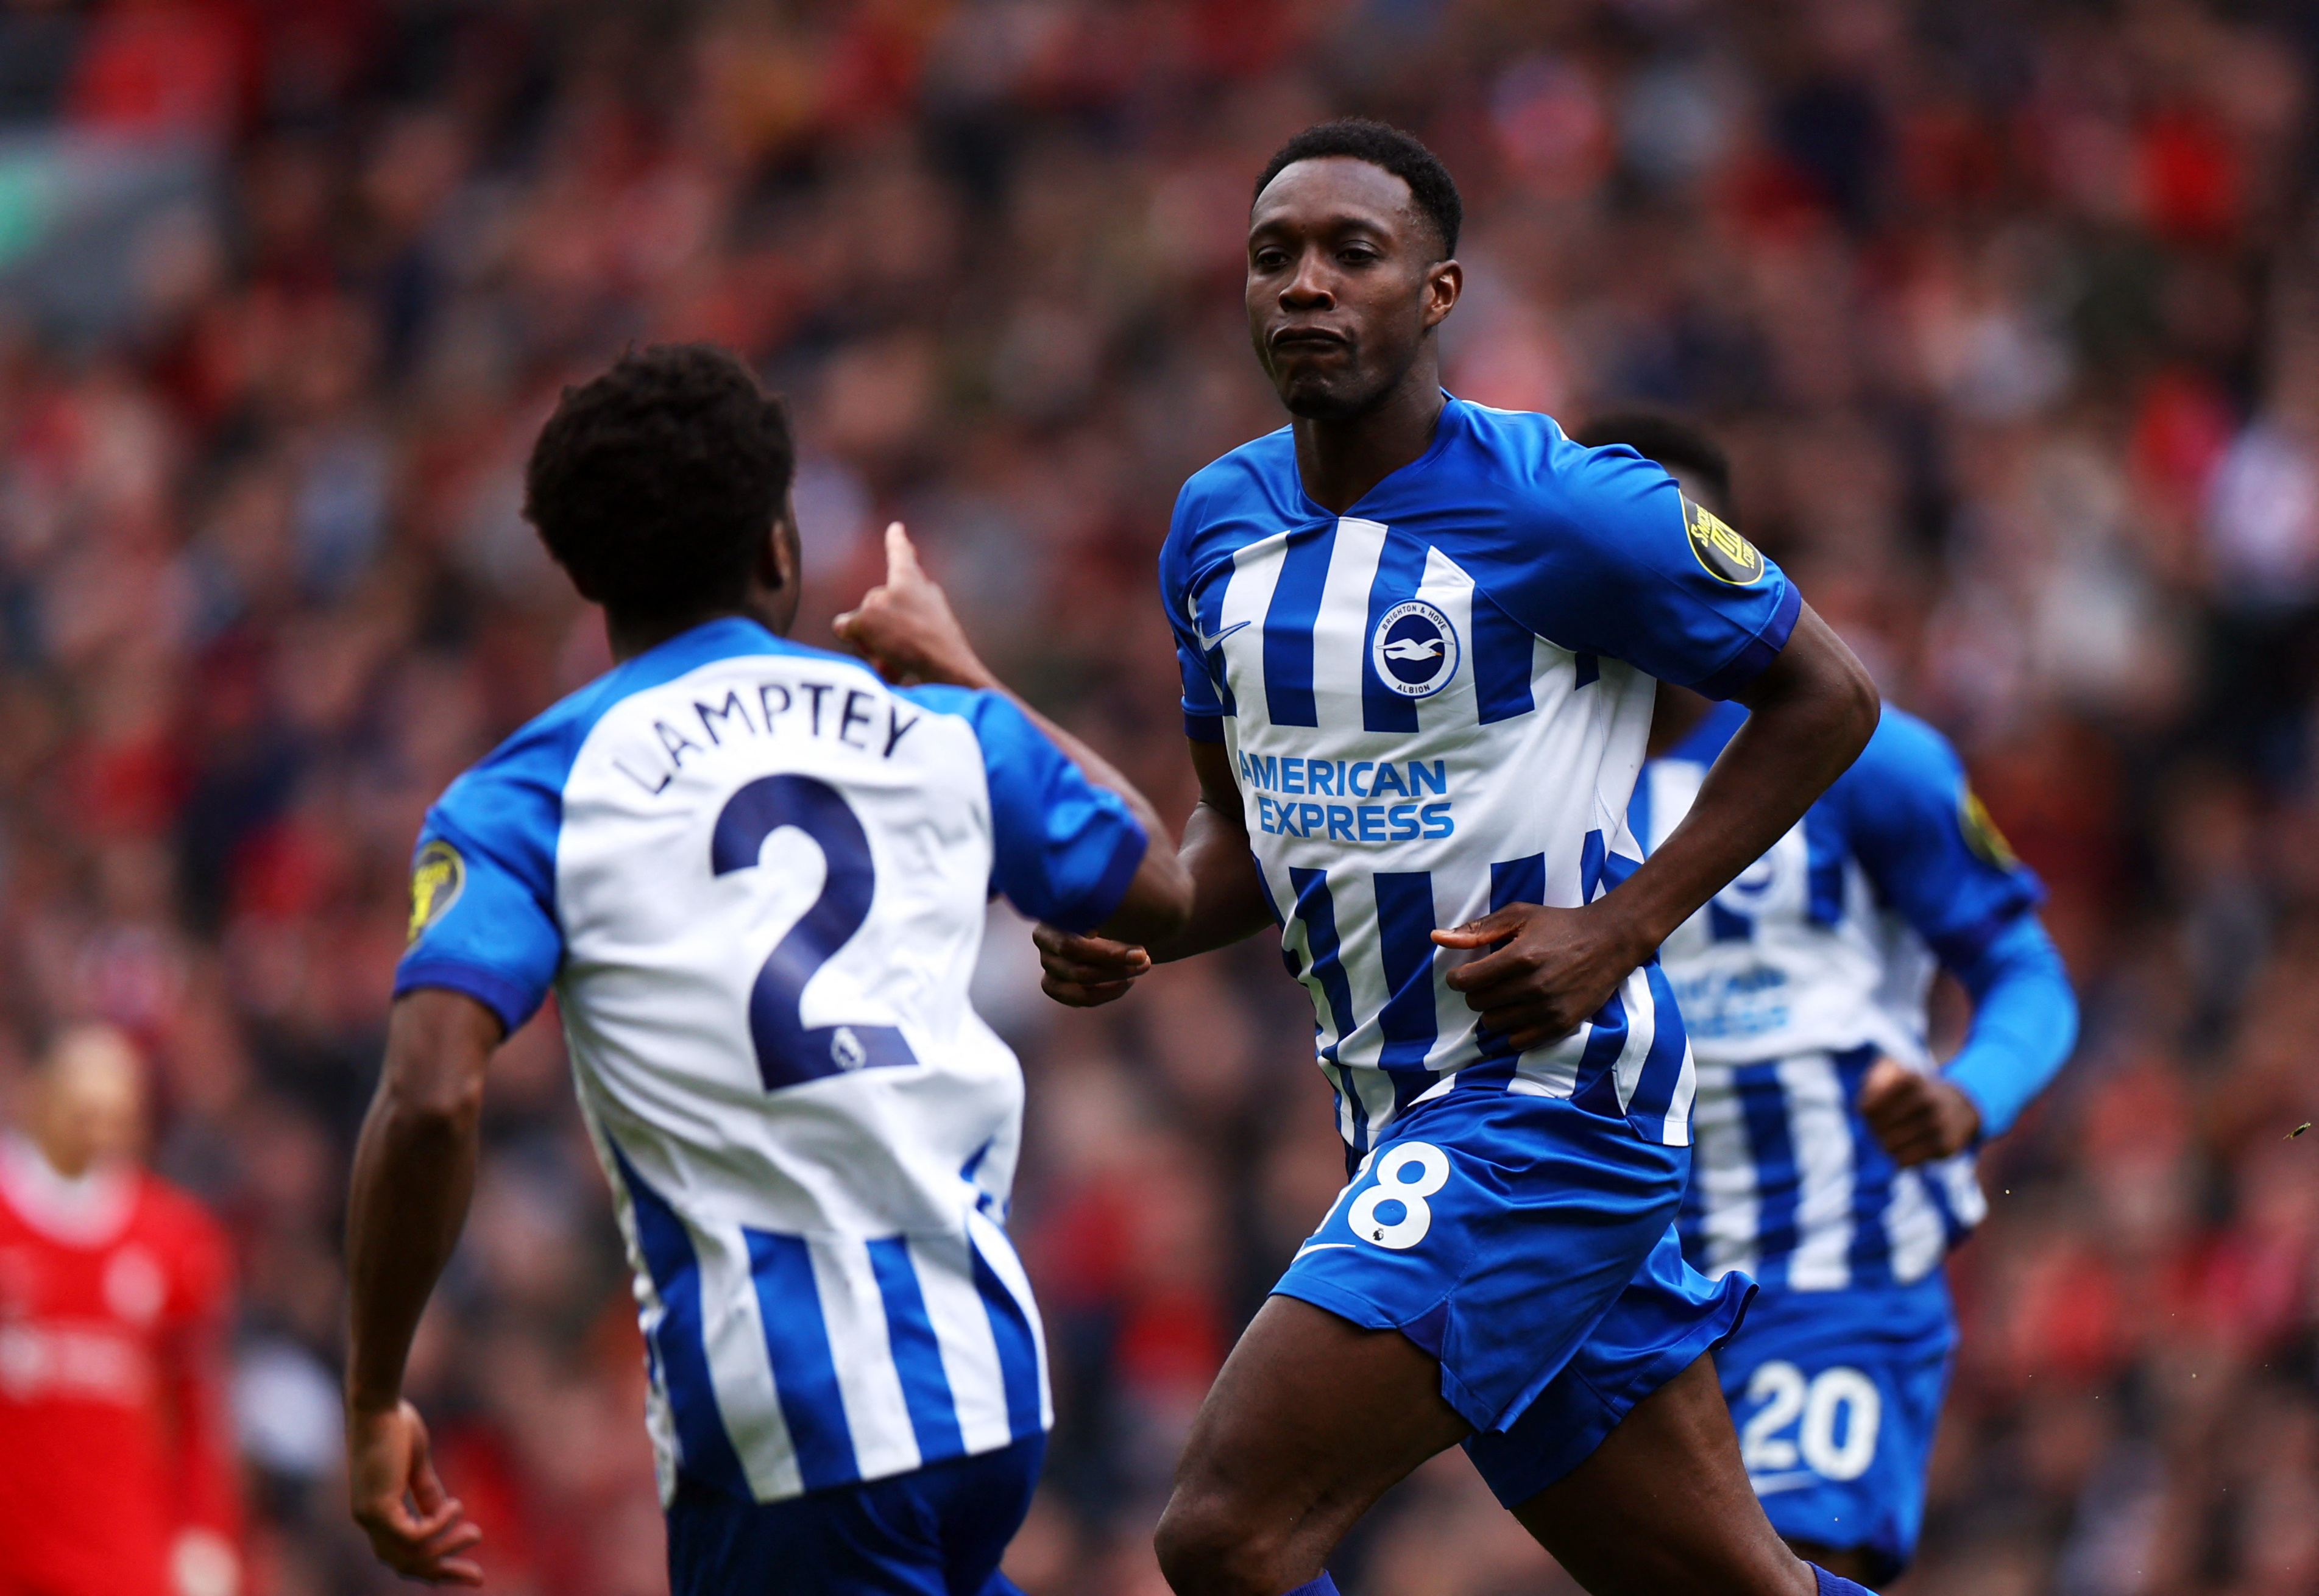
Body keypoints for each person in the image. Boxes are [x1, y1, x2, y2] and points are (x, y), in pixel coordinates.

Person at [1033, 118, 1885, 1596]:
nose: (1304, 285)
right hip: (1400, 1119)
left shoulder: (1564, 504)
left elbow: (1828, 696)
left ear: (1436, 293)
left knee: (1224, 1532)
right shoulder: (1212, 530)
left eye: (1350, 255)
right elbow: (1239, 834)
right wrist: (1143, 921)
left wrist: (1618, 926)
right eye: (1271, 257)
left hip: (1543, 1114)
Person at [341, 343, 1191, 1594]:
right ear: (779, 546)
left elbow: (431, 1093)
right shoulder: (931, 723)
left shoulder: (529, 790)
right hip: (985, 1378)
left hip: (793, 1417)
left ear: (585, 578)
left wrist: (371, 1395)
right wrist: (964, 667)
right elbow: (1158, 887)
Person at [1577, 412, 2080, 1585]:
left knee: (1791, 1562)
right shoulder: (1522, 777)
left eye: (1675, 546)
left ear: (1721, 557)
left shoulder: (1862, 753)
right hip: (1628, 1284)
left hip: (1834, 1255)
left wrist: (1968, 1097)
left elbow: (2025, 971)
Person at [0, 1024, 243, 1596]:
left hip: (121, 1558)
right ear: (40, 1097)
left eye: (116, 1113)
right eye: (84, 1110)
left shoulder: (175, 1240)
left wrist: (205, 1532)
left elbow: (195, 1405)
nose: (99, 1130)